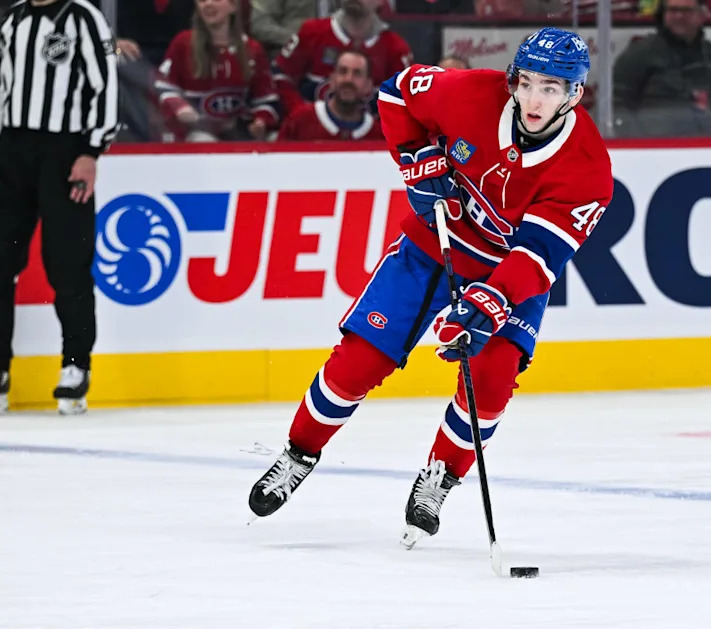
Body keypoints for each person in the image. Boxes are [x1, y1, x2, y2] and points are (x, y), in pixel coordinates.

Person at [248, 28, 614, 549]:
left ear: (575, 94)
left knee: (490, 384)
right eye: (527, 82)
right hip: (430, 249)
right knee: (359, 361)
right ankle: (299, 453)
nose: (534, 99)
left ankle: (440, 476)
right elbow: (396, 93)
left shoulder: (589, 170)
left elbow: (538, 255)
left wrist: (492, 301)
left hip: (506, 275)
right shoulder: (471, 93)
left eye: (551, 88)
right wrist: (417, 160)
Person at [0, 0, 119, 414]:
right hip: (11, 151)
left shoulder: (83, 16)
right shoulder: (14, 18)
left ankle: (75, 365)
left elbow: (106, 86)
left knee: (66, 263)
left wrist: (91, 150)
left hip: (64, 155)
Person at [154, 0, 280, 142]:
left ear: (233, 6)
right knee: (203, 141)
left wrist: (261, 121)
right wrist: (179, 107)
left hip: (240, 132)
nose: (208, 4)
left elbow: (266, 98)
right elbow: (163, 86)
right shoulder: (183, 43)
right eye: (202, 0)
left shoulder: (252, 49)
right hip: (196, 131)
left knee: (276, 139)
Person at [612, 0, 711, 137]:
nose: (679, 16)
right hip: (655, 151)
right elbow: (617, 105)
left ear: (702, 16)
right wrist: (639, 146)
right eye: (673, 10)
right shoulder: (639, 54)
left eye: (686, 11)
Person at [271, 0, 411, 116]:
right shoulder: (311, 32)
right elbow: (281, 76)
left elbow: (404, 105)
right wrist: (299, 112)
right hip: (309, 138)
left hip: (370, 142)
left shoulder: (396, 49)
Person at [278, 49, 383, 140]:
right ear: (332, 80)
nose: (348, 79)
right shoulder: (300, 120)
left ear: (368, 86)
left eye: (357, 73)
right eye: (343, 71)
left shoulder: (378, 134)